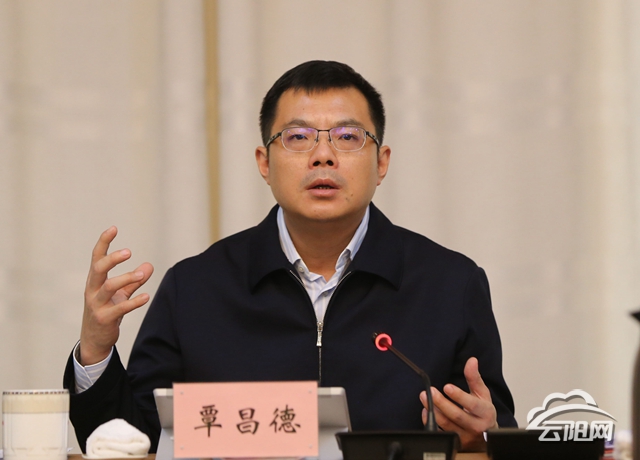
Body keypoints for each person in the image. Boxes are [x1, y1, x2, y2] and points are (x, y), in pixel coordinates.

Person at [64, 60, 516, 453]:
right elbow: (131, 441)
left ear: (381, 163)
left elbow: (494, 428)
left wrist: (486, 435)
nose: (323, 155)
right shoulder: (196, 288)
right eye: (298, 137)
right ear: (264, 162)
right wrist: (96, 348)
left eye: (348, 136)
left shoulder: (450, 285)